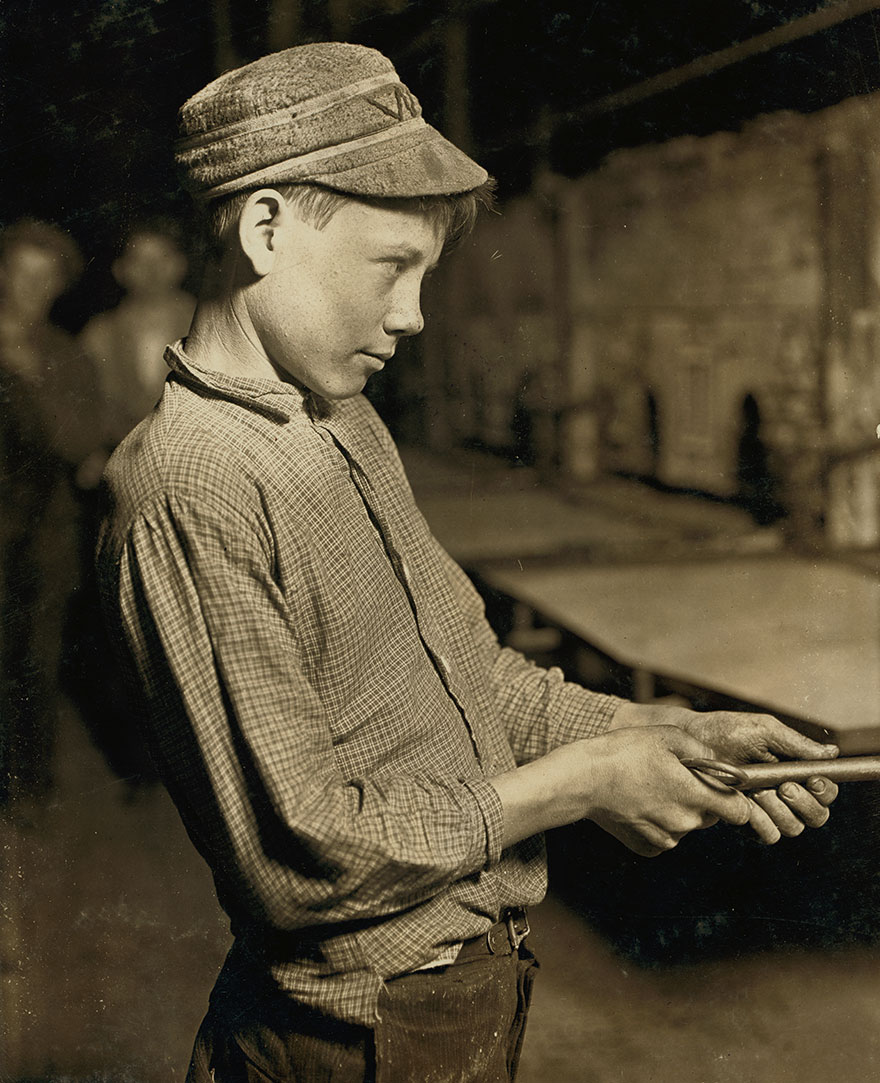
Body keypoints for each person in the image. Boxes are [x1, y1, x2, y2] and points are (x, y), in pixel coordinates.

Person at [96, 44, 840, 1083]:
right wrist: (586, 781)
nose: (413, 314)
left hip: (463, 994)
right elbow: (306, 852)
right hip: (353, 1036)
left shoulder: (343, 421)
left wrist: (647, 731)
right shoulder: (191, 484)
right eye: (390, 266)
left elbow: (469, 678)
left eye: (425, 275)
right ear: (265, 229)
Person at [0, 219, 106, 805]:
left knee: (36, 663)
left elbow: (82, 443)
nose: (32, 289)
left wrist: (32, 381)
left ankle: (29, 791)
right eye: (22, 273)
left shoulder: (66, 355)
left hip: (46, 532)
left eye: (47, 278)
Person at [80, 219, 196, 447]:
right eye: (139, 259)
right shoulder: (99, 336)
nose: (152, 271)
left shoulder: (207, 325)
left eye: (163, 257)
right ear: (120, 270)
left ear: (181, 264)